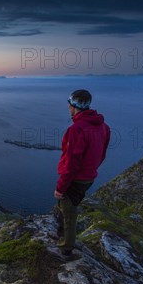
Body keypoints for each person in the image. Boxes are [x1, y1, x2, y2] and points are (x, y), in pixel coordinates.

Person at [54, 89, 110, 256]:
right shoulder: (103, 127)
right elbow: (102, 154)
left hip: (75, 178)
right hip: (88, 177)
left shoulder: (76, 130)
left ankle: (66, 250)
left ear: (74, 106)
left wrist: (60, 187)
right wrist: (91, 170)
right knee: (64, 208)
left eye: (69, 104)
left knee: (69, 211)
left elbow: (71, 162)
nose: (67, 107)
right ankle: (61, 237)